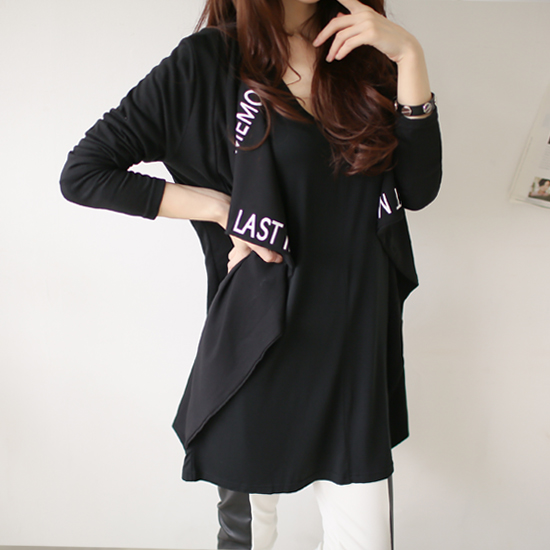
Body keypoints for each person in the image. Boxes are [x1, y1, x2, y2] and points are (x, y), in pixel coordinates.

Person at [60, 0, 442, 548]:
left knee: (365, 540)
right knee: (250, 537)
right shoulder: (211, 59)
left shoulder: (366, 55)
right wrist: (221, 208)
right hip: (262, 340)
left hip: (355, 344)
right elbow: (85, 172)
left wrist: (408, 54)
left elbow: (418, 188)